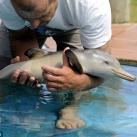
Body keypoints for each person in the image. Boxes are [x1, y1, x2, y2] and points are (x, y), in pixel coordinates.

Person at [0, 0, 112, 129]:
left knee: (80, 70)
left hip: (72, 23)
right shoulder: (5, 3)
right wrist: (27, 68)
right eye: (25, 15)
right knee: (8, 73)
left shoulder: (90, 5)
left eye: (42, 15)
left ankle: (70, 110)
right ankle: (25, 108)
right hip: (24, 29)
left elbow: (101, 67)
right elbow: (21, 37)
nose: (35, 25)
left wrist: (80, 81)